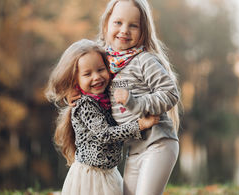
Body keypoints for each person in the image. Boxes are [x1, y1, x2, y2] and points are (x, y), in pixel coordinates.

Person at [45, 39, 160, 195]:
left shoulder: (107, 95)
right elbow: (105, 134)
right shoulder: (85, 104)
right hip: (91, 177)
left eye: (101, 69)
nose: (97, 77)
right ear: (75, 80)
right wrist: (140, 125)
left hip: (108, 172)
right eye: (87, 74)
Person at [99, 0, 181, 195]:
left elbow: (171, 93)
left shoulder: (144, 60)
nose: (124, 30)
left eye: (133, 25)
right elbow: (84, 78)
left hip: (158, 144)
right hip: (133, 150)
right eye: (118, 22)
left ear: (143, 31)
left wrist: (135, 102)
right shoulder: (103, 63)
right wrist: (77, 94)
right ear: (107, 23)